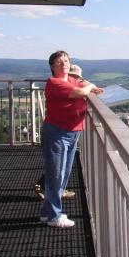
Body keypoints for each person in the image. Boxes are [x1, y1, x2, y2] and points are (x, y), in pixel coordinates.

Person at [40, 51, 103, 228]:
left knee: (63, 174)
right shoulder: (54, 82)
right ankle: (54, 216)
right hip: (57, 133)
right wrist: (90, 86)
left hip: (73, 132)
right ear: (52, 67)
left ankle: (46, 213)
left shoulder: (71, 81)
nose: (64, 64)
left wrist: (90, 87)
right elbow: (82, 90)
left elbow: (82, 85)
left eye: (66, 61)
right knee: (56, 175)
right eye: (59, 62)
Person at [34, 63, 84, 200]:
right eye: (74, 77)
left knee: (60, 168)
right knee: (57, 169)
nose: (75, 80)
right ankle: (52, 208)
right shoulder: (58, 84)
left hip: (69, 130)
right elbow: (80, 92)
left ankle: (54, 197)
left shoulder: (68, 84)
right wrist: (89, 87)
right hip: (60, 131)